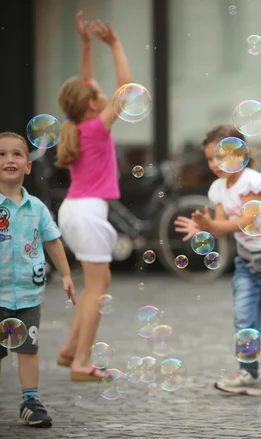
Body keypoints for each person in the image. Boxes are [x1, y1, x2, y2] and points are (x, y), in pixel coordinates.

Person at [173, 124, 261, 396]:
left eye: (221, 157)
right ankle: (248, 375)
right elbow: (220, 225)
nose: (215, 164)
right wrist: (204, 227)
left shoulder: (252, 181)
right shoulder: (218, 188)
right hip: (247, 263)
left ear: (240, 155)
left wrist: (211, 227)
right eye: (209, 158)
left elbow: (245, 221)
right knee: (244, 319)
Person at [54, 12, 132, 381]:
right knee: (96, 289)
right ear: (91, 105)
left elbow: (86, 84)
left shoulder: (77, 126)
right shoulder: (97, 128)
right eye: (98, 94)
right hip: (87, 213)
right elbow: (128, 90)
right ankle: (83, 361)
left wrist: (86, 46)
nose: (104, 94)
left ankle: (71, 350)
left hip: (72, 211)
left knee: (94, 286)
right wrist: (115, 45)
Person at [0, 132, 76, 427]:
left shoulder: (37, 208)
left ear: (28, 166)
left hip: (29, 295)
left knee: (28, 350)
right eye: (2, 154)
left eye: (17, 154)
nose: (9, 159)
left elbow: (53, 242)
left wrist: (67, 274)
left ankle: (30, 401)